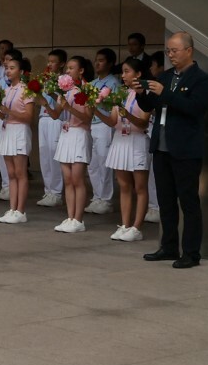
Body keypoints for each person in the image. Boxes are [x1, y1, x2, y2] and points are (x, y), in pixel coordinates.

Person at [136, 32, 208, 268]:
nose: (170, 55)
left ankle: (191, 252)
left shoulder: (201, 79)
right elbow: (150, 105)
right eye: (168, 50)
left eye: (174, 50)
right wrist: (141, 94)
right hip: (161, 146)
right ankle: (168, 246)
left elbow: (194, 108)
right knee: (165, 200)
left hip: (185, 148)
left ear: (189, 51)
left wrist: (165, 93)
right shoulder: (166, 76)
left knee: (188, 202)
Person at [103, 56, 152, 241]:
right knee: (124, 185)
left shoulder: (145, 93)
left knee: (139, 186)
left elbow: (143, 122)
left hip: (137, 140)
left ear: (138, 74)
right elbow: (113, 120)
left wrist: (127, 115)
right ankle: (124, 224)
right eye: (122, 72)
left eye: (127, 72)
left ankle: (137, 227)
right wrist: (98, 109)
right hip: (120, 140)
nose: (123, 76)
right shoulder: (121, 92)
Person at [48, 55, 95, 233]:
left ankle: (78, 219)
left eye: (71, 68)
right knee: (67, 179)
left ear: (81, 70)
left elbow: (88, 117)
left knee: (77, 179)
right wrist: (46, 100)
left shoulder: (87, 89)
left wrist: (69, 107)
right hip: (66, 134)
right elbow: (55, 114)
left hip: (79, 134)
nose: (67, 71)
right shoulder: (67, 91)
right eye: (67, 68)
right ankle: (69, 217)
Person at [0, 54, 35, 223]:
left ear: (21, 71)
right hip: (7, 130)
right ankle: (12, 208)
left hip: (19, 131)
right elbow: (3, 113)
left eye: (12, 68)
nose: (8, 71)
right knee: (10, 173)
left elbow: (29, 116)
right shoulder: (6, 89)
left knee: (20, 172)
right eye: (7, 68)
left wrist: (8, 111)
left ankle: (21, 210)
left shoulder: (26, 90)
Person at [85, 48, 120, 215]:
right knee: (93, 164)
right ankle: (97, 196)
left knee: (104, 162)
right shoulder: (92, 84)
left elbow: (114, 106)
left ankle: (106, 199)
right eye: (96, 60)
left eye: (101, 60)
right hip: (92, 124)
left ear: (110, 63)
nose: (97, 63)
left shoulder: (113, 83)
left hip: (105, 124)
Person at [35, 49, 68, 207]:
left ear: (61, 63)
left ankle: (56, 192)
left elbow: (62, 101)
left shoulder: (64, 80)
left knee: (54, 154)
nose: (49, 64)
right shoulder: (46, 78)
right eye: (48, 61)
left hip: (56, 118)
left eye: (53, 62)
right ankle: (48, 190)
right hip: (44, 116)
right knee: (44, 155)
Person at [144, 51, 165, 224]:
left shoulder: (163, 85)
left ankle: (158, 207)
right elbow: (145, 105)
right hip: (153, 132)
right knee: (152, 173)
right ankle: (153, 206)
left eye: (153, 65)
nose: (151, 68)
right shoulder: (152, 86)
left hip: (160, 131)